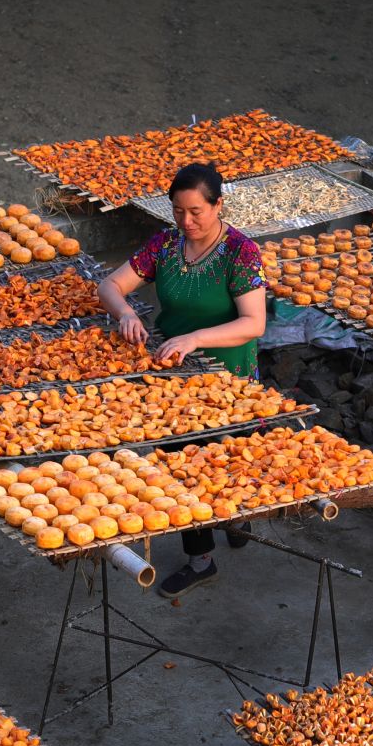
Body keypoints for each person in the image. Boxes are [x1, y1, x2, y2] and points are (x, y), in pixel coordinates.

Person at [98, 162, 268, 598]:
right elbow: (110, 285)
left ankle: (236, 517)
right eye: (177, 211)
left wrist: (196, 338)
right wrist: (126, 312)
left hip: (230, 380)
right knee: (181, 466)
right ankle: (201, 560)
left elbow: (253, 323)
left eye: (196, 212)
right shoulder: (166, 244)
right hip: (173, 375)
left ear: (218, 205)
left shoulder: (241, 252)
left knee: (227, 461)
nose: (186, 221)